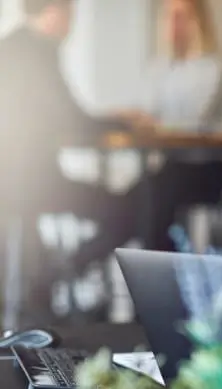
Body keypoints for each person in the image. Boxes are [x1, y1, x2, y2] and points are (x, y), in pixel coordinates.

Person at [0, 0, 136, 326]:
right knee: (129, 209)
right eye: (71, 14)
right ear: (54, 12)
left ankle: (52, 273)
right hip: (33, 186)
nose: (71, 25)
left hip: (11, 187)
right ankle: (68, 265)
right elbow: (71, 119)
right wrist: (123, 121)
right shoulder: (40, 52)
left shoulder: (7, 48)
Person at [116, 0, 222, 251]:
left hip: (204, 170)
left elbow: (196, 120)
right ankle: (74, 263)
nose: (174, 24)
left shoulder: (212, 68)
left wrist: (153, 123)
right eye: (169, 17)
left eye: (181, 17)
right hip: (168, 167)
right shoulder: (158, 68)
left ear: (198, 22)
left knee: (150, 200)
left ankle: (71, 264)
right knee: (126, 204)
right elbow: (144, 111)